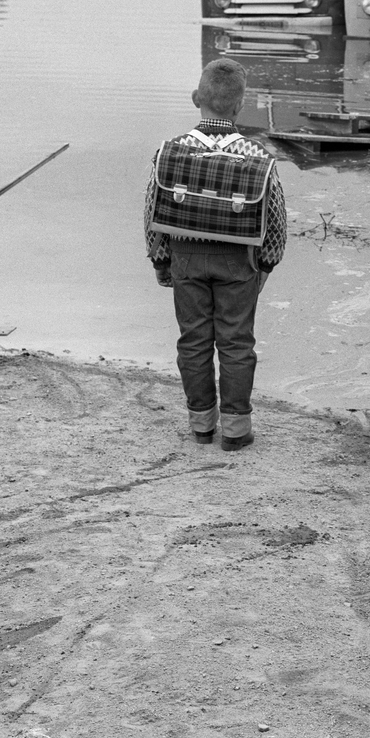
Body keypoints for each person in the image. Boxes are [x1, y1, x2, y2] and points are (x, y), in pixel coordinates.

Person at [145, 58, 287, 450]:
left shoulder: (170, 152)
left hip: (186, 258)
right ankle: (237, 430)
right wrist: (266, 266)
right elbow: (275, 219)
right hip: (238, 261)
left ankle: (202, 425)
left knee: (192, 342)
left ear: (196, 99)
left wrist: (161, 262)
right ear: (241, 106)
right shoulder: (257, 156)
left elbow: (152, 213)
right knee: (237, 343)